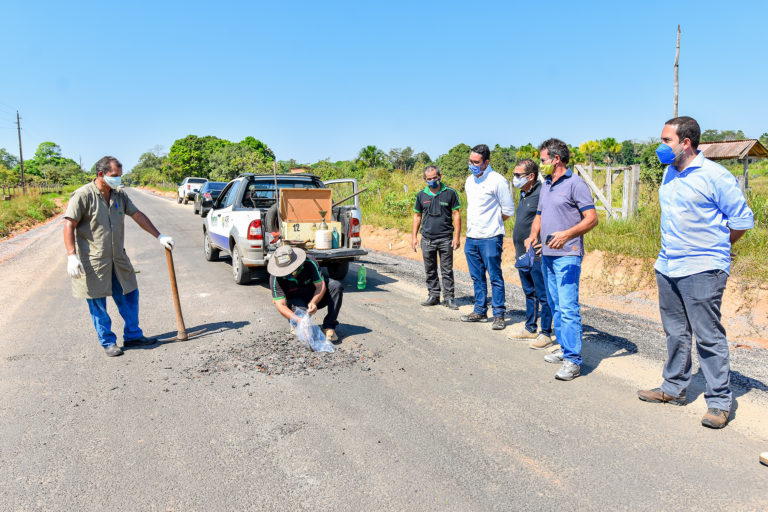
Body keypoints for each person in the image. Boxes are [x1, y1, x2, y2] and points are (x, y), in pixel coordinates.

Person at [637, 116, 754, 429]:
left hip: (703, 268)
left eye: (666, 141)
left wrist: (717, 249)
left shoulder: (715, 176)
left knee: (708, 336)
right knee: (675, 331)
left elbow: (742, 220)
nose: (660, 147)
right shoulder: (669, 175)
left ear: (685, 142)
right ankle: (673, 388)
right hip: (668, 265)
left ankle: (718, 402)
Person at [63, 156, 175, 357]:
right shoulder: (82, 195)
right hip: (94, 261)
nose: (118, 180)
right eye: (114, 176)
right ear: (101, 174)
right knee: (98, 304)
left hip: (118, 258)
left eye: (120, 176)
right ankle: (108, 342)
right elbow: (69, 224)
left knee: (130, 294)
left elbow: (137, 215)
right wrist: (71, 255)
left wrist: (159, 235)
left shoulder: (119, 195)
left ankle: (133, 336)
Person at [524, 138, 598, 381]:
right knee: (555, 305)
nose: (540, 163)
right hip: (547, 254)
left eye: (543, 159)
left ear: (556, 159)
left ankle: (574, 361)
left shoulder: (575, 184)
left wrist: (567, 234)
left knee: (568, 308)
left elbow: (591, 219)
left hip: (567, 255)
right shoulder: (546, 183)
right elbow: (539, 214)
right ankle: (566, 349)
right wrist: (533, 235)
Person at [461, 144, 515, 330]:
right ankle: (480, 310)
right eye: (470, 161)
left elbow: (508, 210)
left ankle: (499, 314)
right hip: (471, 237)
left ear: (486, 162)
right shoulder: (469, 181)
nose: (472, 164)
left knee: (495, 277)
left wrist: (493, 223)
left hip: (491, 237)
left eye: (476, 162)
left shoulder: (497, 180)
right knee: (477, 277)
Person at [508, 159, 554, 349]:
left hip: (536, 253)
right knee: (529, 292)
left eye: (518, 175)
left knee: (543, 294)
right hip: (522, 253)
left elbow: (550, 219)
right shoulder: (524, 193)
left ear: (531, 176)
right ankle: (530, 328)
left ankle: (546, 333)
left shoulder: (543, 193)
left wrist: (544, 243)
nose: (515, 178)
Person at [269, 245, 344, 341]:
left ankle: (329, 326)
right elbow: (281, 305)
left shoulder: (309, 261)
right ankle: (296, 323)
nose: (289, 274)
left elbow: (320, 285)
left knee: (335, 286)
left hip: (314, 295)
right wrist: (298, 320)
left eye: (291, 271)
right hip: (296, 301)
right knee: (304, 325)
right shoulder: (275, 277)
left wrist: (314, 302)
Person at [412, 165, 462, 310]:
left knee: (447, 269)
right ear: (424, 179)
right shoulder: (421, 195)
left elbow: (456, 215)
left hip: (446, 238)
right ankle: (433, 296)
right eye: (429, 179)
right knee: (430, 269)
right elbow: (417, 216)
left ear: (440, 176)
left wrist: (457, 237)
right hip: (427, 238)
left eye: (435, 178)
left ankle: (449, 298)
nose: (433, 181)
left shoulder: (450, 193)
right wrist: (414, 237)